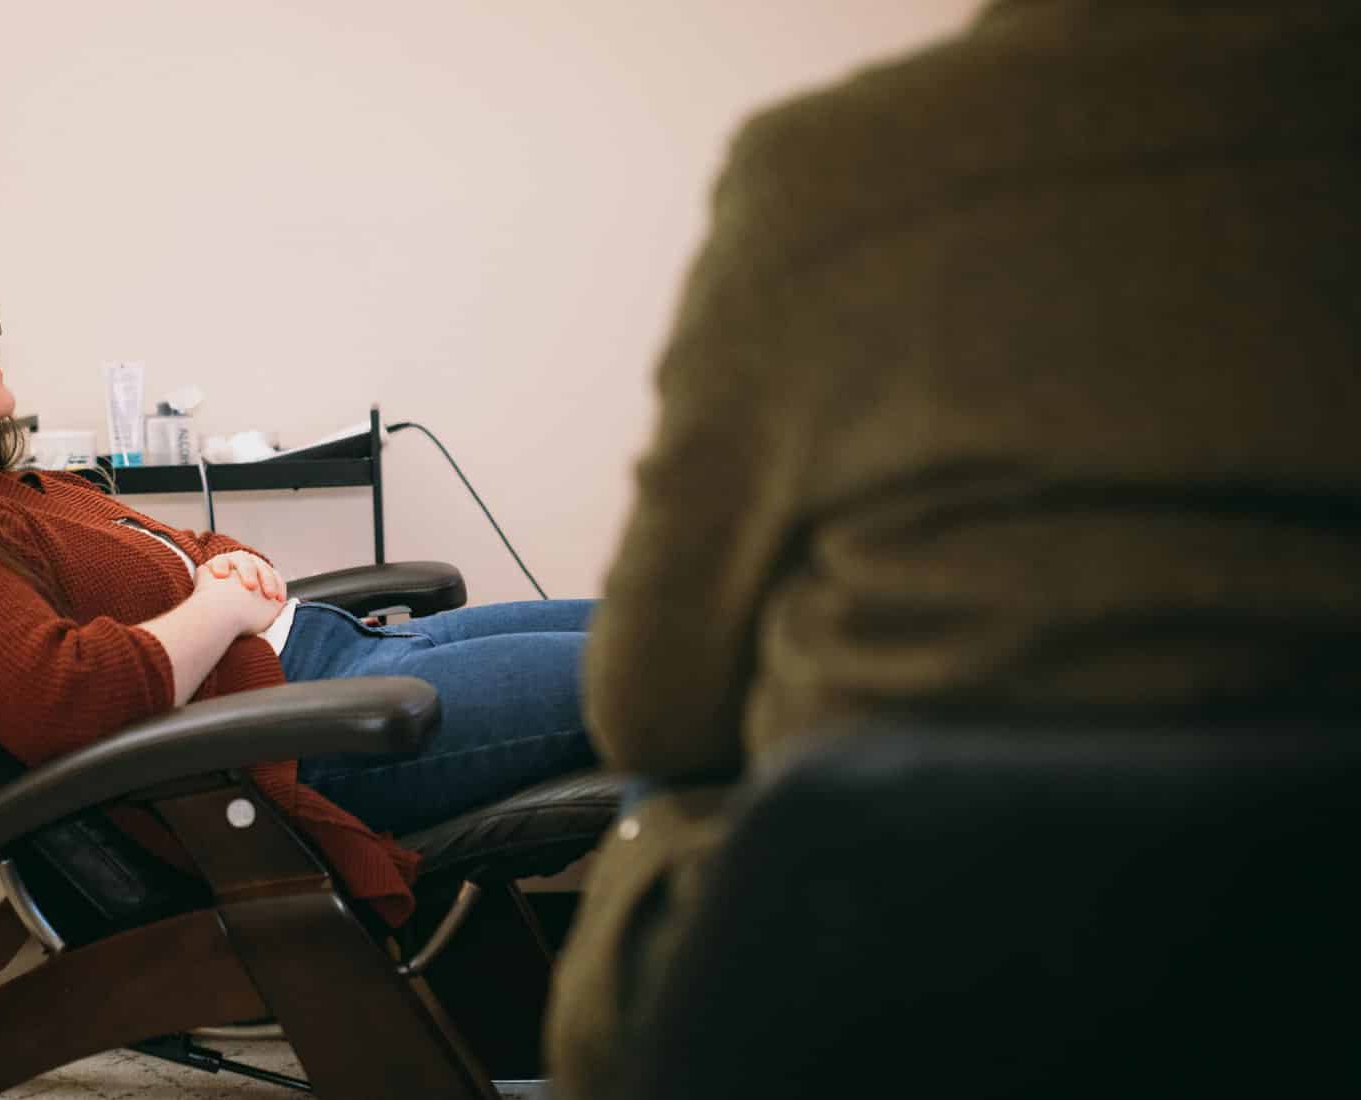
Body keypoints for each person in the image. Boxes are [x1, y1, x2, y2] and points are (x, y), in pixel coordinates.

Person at [546, 0, 1361, 1092]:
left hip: (886, 947)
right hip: (1306, 931)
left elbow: (652, 706)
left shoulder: (829, 164)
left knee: (630, 696)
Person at [0, 234, 597, 926]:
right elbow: (59, 698)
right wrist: (218, 602)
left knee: (655, 628)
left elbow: (196, 544)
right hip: (307, 734)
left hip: (338, 656)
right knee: (662, 671)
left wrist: (231, 571)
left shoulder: (39, 490)